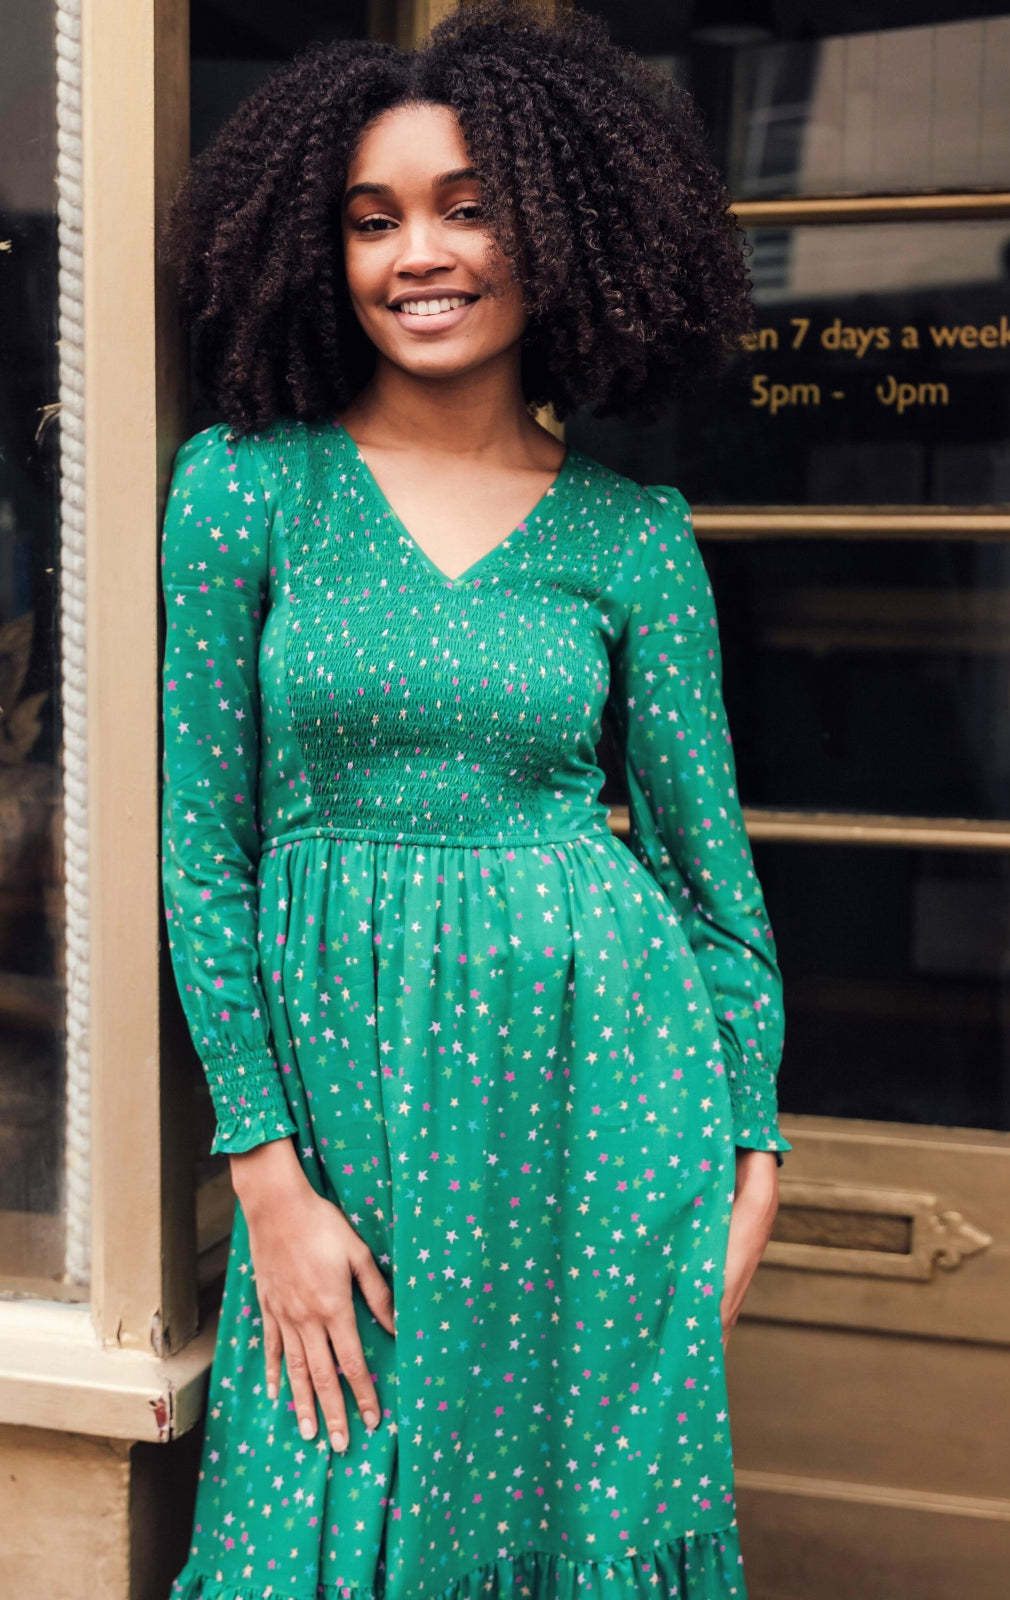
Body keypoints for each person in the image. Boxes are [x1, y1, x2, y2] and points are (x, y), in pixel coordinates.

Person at [159, 4, 790, 1597]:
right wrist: (266, 1172)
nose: (418, 254)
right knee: (312, 1514)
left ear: (560, 231)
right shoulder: (249, 485)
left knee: (574, 1537)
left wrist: (753, 1155)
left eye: (466, 206)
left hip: (604, 1118)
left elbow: (714, 885)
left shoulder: (631, 536)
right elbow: (201, 849)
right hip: (347, 1132)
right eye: (373, 221)